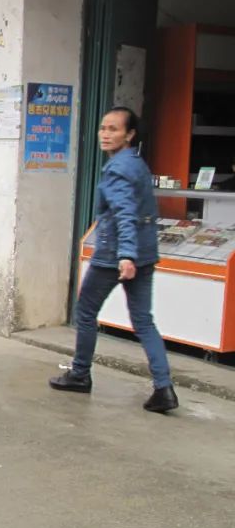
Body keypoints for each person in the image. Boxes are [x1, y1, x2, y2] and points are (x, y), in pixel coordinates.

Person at [49, 107, 178, 412]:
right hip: (143, 253)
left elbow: (125, 214)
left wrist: (126, 255)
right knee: (144, 320)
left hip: (114, 254)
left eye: (114, 129)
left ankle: (80, 374)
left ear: (129, 135)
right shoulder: (136, 163)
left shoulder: (118, 168)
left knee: (85, 311)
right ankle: (164, 388)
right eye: (103, 128)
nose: (105, 135)